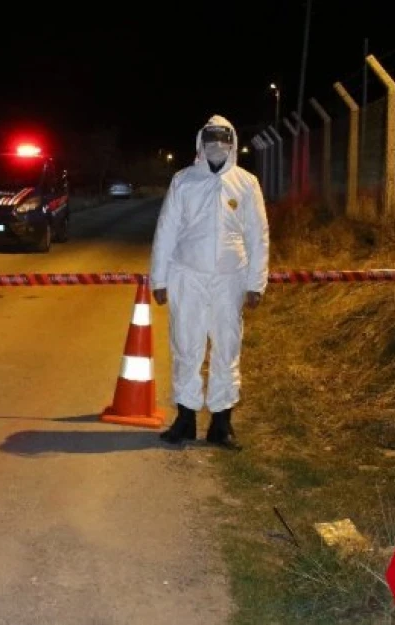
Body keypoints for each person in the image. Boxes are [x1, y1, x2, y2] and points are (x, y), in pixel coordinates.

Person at [149, 115, 269, 449]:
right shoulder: (183, 181)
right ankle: (185, 419)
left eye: (223, 138)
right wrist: (159, 279)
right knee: (186, 346)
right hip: (187, 276)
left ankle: (221, 423)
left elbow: (258, 236)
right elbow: (166, 231)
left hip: (230, 280)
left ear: (232, 142)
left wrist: (256, 283)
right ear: (201, 142)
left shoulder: (246, 183)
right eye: (211, 138)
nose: (217, 145)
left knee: (226, 348)